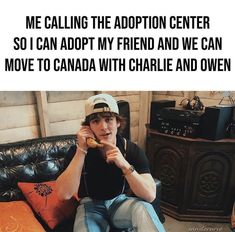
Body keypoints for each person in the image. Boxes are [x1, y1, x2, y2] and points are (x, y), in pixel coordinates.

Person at [56, 93, 166, 232]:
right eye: (96, 121)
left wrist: (125, 166)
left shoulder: (130, 150)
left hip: (120, 203)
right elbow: (63, 194)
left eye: (109, 119)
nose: (103, 127)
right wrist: (81, 151)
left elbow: (150, 195)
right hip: (90, 206)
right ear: (88, 127)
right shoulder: (76, 151)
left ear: (118, 122)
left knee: (143, 208)